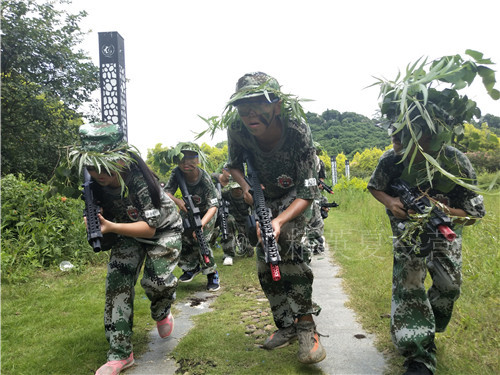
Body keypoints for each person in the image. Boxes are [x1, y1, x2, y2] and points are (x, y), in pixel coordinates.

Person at [225, 72, 326, 364]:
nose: (250, 112)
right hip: (262, 198)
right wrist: (246, 189)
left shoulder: (296, 130)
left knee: (291, 254)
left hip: (295, 198)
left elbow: (308, 192)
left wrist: (280, 221)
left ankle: (308, 327)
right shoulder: (237, 128)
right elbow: (233, 166)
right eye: (244, 105)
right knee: (266, 263)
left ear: (277, 106)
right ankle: (287, 326)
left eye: (259, 102)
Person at [368, 126, 486, 375]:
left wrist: (442, 211)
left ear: (428, 134)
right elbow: (375, 186)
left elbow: (474, 215)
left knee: (449, 287)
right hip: (407, 231)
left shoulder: (455, 161)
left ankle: (426, 327)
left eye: (406, 131)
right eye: (394, 130)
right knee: (409, 285)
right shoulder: (391, 159)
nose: (395, 137)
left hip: (445, 230)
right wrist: (392, 202)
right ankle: (418, 356)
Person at [73, 122, 183, 375]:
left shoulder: (140, 181)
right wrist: (94, 220)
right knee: (117, 284)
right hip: (124, 231)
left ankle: (161, 310)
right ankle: (120, 354)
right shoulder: (92, 186)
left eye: (103, 167)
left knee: (158, 283)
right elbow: (96, 216)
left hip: (161, 231)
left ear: (121, 161)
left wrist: (110, 226)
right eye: (91, 167)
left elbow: (151, 229)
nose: (98, 173)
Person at [164, 143, 221, 291]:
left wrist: (201, 224)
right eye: (182, 158)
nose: (186, 162)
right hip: (188, 209)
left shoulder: (204, 178)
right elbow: (166, 192)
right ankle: (191, 267)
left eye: (190, 158)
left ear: (198, 160)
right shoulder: (176, 173)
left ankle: (212, 273)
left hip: (207, 212)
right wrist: (177, 201)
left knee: (200, 238)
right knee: (179, 234)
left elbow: (213, 206)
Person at [220, 181, 255, 262]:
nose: (237, 191)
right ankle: (228, 253)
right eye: (235, 189)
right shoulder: (226, 194)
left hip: (244, 222)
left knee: (249, 252)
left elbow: (254, 209)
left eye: (239, 188)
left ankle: (242, 246)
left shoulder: (248, 195)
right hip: (232, 221)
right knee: (228, 221)